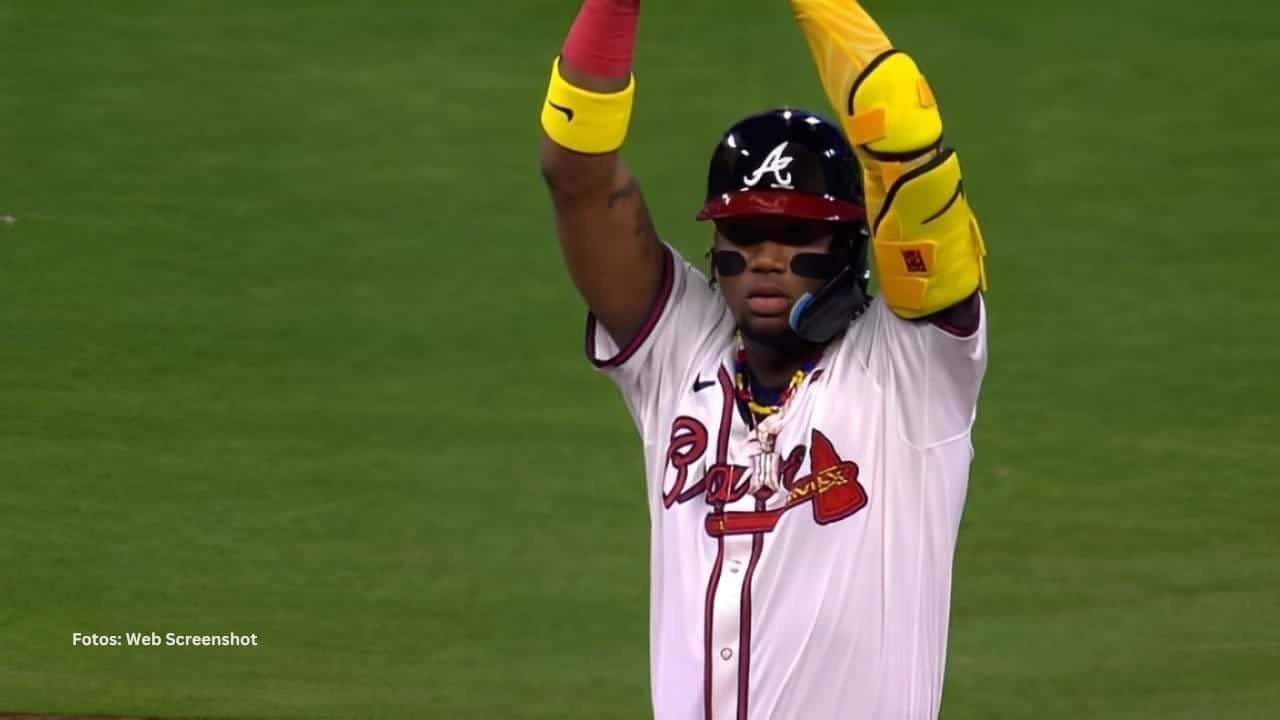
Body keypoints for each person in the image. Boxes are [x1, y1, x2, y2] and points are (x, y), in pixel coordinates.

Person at [538, 0, 989, 717]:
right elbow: (576, 173)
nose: (767, 259)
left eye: (795, 235)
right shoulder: (680, 352)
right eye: (745, 233)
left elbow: (905, 139)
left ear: (850, 248)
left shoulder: (914, 371)